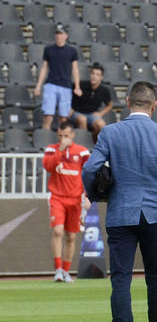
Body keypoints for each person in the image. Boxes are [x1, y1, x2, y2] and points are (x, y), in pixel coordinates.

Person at [83, 81, 157, 322]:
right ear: (154, 105)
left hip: (120, 213)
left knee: (120, 278)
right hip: (155, 214)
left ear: (127, 102)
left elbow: (91, 167)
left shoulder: (110, 133)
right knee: (156, 279)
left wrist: (95, 195)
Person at [42, 121, 90, 283]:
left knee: (71, 236)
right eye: (60, 136)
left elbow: (89, 174)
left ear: (73, 135)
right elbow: (48, 167)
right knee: (57, 231)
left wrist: (88, 196)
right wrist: (61, 150)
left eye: (66, 136)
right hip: (57, 197)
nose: (63, 139)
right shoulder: (51, 149)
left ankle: (66, 271)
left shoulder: (82, 152)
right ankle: (57, 270)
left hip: (76, 199)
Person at [34, 25, 82, 131]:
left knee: (63, 118)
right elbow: (44, 68)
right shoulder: (48, 49)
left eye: (61, 33)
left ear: (66, 36)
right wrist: (38, 86)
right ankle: (45, 142)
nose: (59, 36)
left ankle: (62, 144)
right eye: (57, 33)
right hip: (51, 84)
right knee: (48, 116)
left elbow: (75, 69)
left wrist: (77, 86)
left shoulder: (72, 51)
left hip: (66, 85)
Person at [69, 63, 113, 144]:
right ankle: (85, 144)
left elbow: (110, 105)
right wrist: (69, 109)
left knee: (101, 124)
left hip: (91, 114)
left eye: (97, 74)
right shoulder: (80, 85)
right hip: (76, 113)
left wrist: (100, 113)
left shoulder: (104, 90)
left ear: (101, 77)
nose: (94, 76)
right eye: (92, 73)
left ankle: (95, 144)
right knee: (82, 119)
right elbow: (66, 94)